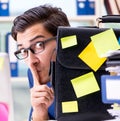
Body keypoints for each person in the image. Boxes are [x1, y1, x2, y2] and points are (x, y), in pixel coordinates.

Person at [11, 4, 70, 121]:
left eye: (39, 45)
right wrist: (39, 112)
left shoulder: (100, 71)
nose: (31, 61)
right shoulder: (34, 74)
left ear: (62, 40)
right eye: (23, 50)